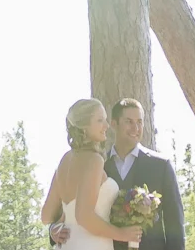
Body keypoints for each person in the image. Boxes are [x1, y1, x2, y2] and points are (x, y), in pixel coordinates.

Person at [42, 99, 143, 250]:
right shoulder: (94, 160)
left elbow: (46, 216)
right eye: (100, 120)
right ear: (84, 127)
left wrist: (55, 228)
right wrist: (123, 234)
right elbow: (84, 216)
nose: (106, 126)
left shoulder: (65, 160)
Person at [104, 99, 184, 250]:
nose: (136, 128)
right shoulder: (100, 165)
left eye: (139, 122)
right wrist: (53, 230)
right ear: (114, 124)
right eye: (129, 121)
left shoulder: (161, 165)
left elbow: (174, 223)